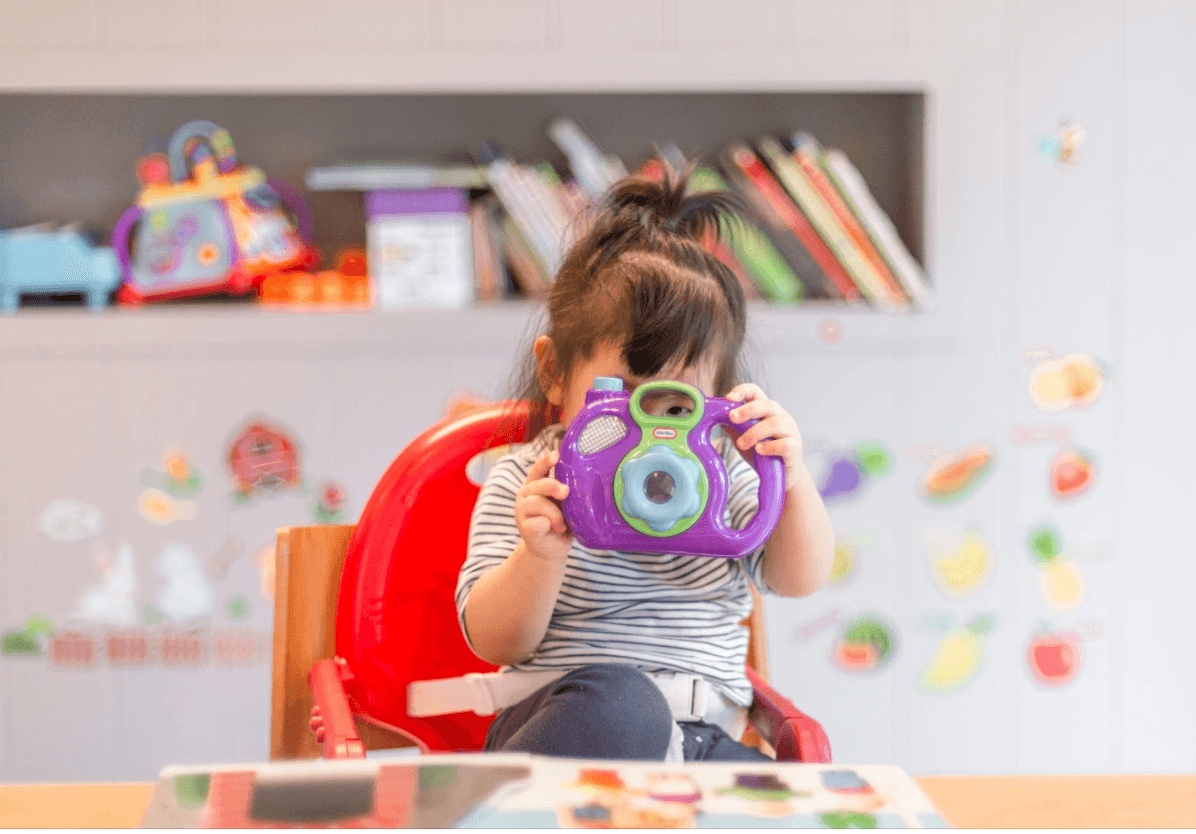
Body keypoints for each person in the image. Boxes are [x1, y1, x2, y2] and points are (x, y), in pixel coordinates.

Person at [455, 161, 835, 762]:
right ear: (556, 373)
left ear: (715, 399)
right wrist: (540, 554)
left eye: (674, 403)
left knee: (785, 804)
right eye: (623, 394)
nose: (648, 431)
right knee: (624, 704)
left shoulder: (722, 475)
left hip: (704, 738)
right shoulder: (532, 481)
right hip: (575, 726)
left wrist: (789, 478)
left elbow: (799, 578)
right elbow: (493, 638)